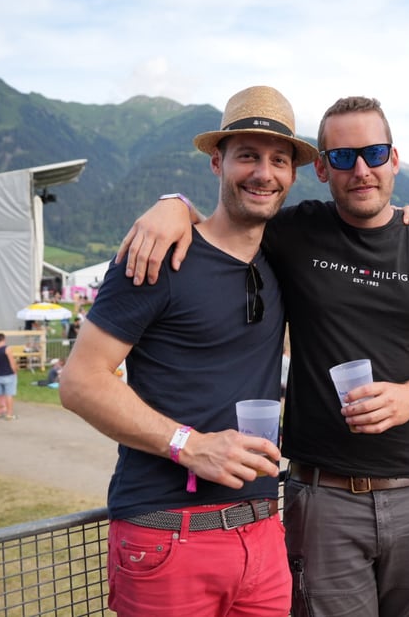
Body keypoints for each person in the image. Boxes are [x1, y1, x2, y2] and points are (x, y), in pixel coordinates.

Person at [112, 94, 409, 617]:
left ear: (395, 158)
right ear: (320, 168)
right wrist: (174, 203)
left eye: (374, 154)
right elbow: (233, 217)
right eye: (342, 157)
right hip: (323, 496)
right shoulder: (293, 231)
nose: (361, 169)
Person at [59, 86, 317, 616]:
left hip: (264, 533)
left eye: (278, 160)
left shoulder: (279, 259)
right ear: (217, 162)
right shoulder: (157, 255)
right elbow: (81, 381)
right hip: (166, 535)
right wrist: (188, 444)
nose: (263, 172)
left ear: (292, 175)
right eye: (247, 155)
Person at [0, 333, 18, 419]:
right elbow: (12, 362)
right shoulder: (7, 349)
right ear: (4, 339)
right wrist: (15, 371)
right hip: (8, 374)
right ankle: (9, 414)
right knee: (9, 395)